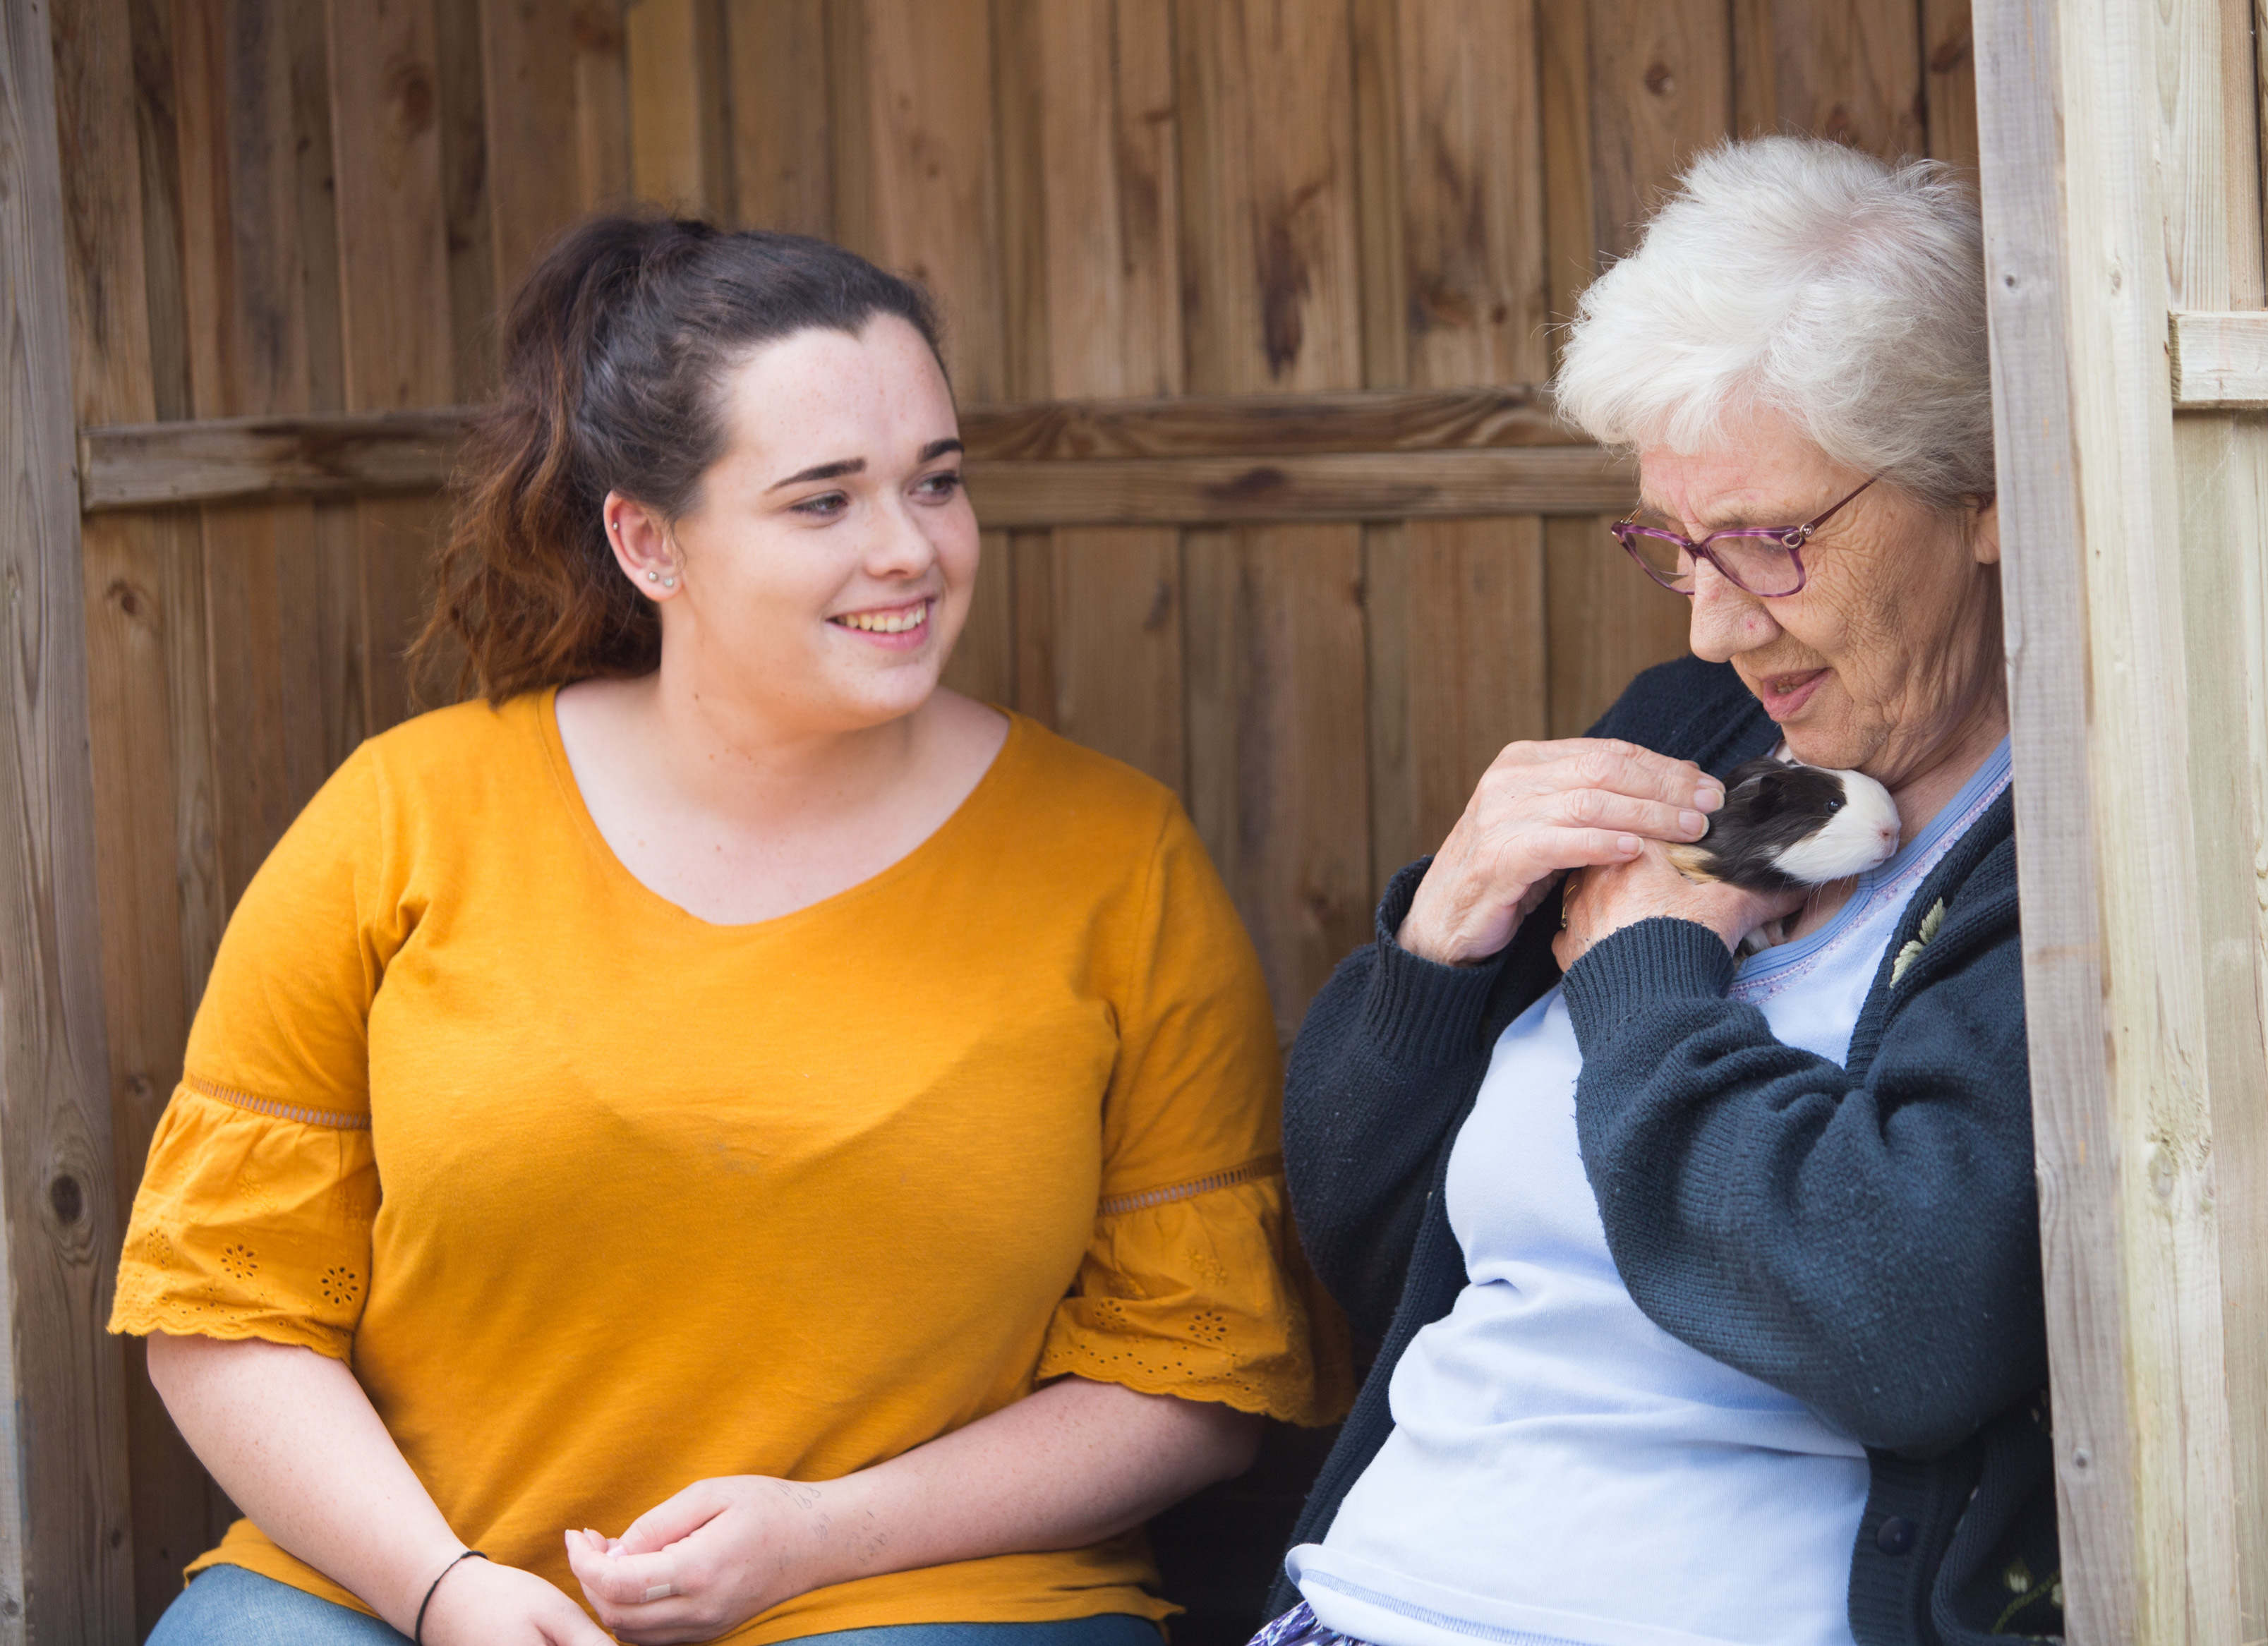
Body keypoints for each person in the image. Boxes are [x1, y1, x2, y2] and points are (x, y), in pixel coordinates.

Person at [110, 215, 1346, 1646]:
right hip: (388, 1587)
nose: (910, 549)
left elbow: (1195, 1379)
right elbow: (225, 1311)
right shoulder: (402, 818)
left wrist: (823, 1535)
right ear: (648, 540)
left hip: (921, 1597)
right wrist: (441, 1590)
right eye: (823, 501)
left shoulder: (1118, 862)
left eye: (935, 484)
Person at [1265, 137, 2053, 1646]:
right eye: (1672, 547)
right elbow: (1374, 1244)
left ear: (1982, 491)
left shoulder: (2070, 848)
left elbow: (1907, 1330)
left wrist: (1643, 1001)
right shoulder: (1690, 732)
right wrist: (1430, 966)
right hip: (1355, 1606)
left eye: (1768, 542)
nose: (1709, 629)